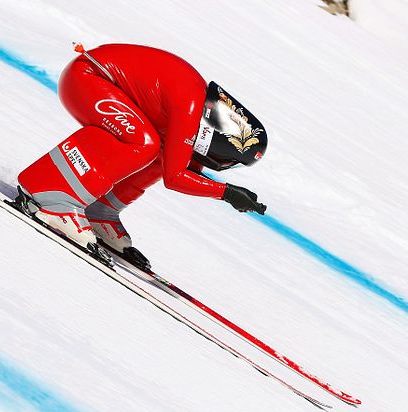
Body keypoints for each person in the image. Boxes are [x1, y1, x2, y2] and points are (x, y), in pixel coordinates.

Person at [14, 43, 268, 268]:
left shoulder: (199, 109)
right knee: (143, 142)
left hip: (95, 76)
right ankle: (53, 197)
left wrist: (223, 190)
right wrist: (227, 193)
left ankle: (100, 211)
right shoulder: (190, 109)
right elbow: (176, 177)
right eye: (228, 161)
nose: (221, 165)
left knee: (160, 151)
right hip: (86, 77)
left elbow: (176, 163)